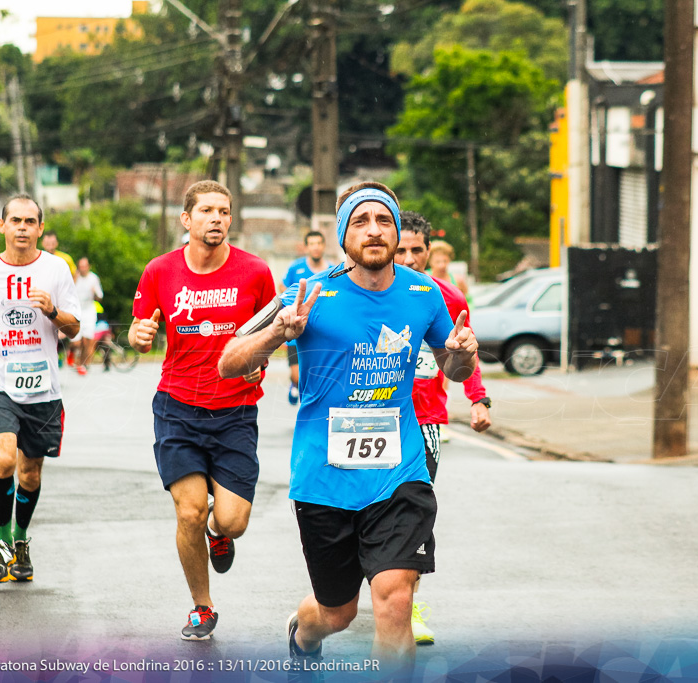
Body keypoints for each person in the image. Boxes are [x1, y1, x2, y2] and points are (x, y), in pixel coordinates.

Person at [217, 181, 479, 673]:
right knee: (337, 613)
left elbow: (453, 367)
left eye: (384, 221)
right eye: (361, 221)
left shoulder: (425, 294)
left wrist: (463, 355)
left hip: (398, 473)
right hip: (324, 479)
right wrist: (279, 330)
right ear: (343, 236)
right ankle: (304, 632)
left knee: (395, 597)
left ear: (398, 231)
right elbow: (229, 361)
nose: (375, 230)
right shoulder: (307, 293)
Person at [128, 180, 276, 641]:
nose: (217, 218)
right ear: (186, 219)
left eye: (225, 211)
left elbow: (267, 338)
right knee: (188, 511)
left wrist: (258, 366)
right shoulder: (159, 270)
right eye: (208, 210)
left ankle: (220, 531)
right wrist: (137, 338)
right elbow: (138, 325)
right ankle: (202, 606)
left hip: (235, 412)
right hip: (177, 408)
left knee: (231, 519)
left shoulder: (255, 273)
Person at [0, 194, 81, 583]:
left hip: (43, 388)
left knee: (30, 473)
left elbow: (74, 330)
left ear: (40, 228)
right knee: (5, 460)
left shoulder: (57, 270)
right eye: (16, 221)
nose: (22, 228)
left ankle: (22, 541)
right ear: (2, 225)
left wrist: (53, 312)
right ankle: (2, 540)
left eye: (30, 221)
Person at [393, 211, 492, 645]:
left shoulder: (447, 296)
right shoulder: (366, 292)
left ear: (430, 252)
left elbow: (464, 352)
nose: (411, 258)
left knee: (413, 517)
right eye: (402, 250)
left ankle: (409, 606)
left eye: (418, 250)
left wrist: (478, 397)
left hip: (426, 420)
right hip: (373, 420)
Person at [281, 231, 332, 405]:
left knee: (316, 375)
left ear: (323, 246)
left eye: (319, 243)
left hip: (320, 330)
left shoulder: (332, 270)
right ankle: (294, 383)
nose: (316, 247)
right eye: (312, 243)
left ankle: (310, 408)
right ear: (306, 247)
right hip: (296, 329)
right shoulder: (296, 268)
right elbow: (282, 289)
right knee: (297, 374)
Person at [41, 231, 77, 367]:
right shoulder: (39, 257)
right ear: (43, 243)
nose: (50, 245)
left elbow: (74, 275)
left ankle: (60, 354)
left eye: (52, 243)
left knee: (62, 329)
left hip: (60, 298)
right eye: (47, 243)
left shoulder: (65, 259)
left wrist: (70, 291)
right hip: (44, 298)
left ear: (56, 243)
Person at [70, 257, 103, 376]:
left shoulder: (94, 278)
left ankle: (82, 364)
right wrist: (74, 280)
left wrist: (94, 293)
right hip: (76, 310)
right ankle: (71, 352)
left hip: (89, 310)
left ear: (88, 267)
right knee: (76, 343)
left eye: (85, 266)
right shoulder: (75, 277)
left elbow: (100, 297)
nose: (83, 269)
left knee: (87, 340)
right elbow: (67, 293)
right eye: (81, 266)